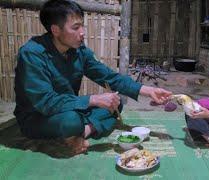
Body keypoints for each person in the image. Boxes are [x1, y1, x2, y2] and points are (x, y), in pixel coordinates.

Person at [14, 0, 172, 155]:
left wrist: (147, 90)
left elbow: (109, 77)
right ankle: (77, 129)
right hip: (37, 117)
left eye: (82, 25)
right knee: (72, 120)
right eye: (76, 27)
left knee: (114, 105)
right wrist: (93, 100)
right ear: (55, 30)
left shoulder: (78, 51)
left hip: (67, 108)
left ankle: (82, 132)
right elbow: (46, 103)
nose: (82, 32)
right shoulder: (32, 53)